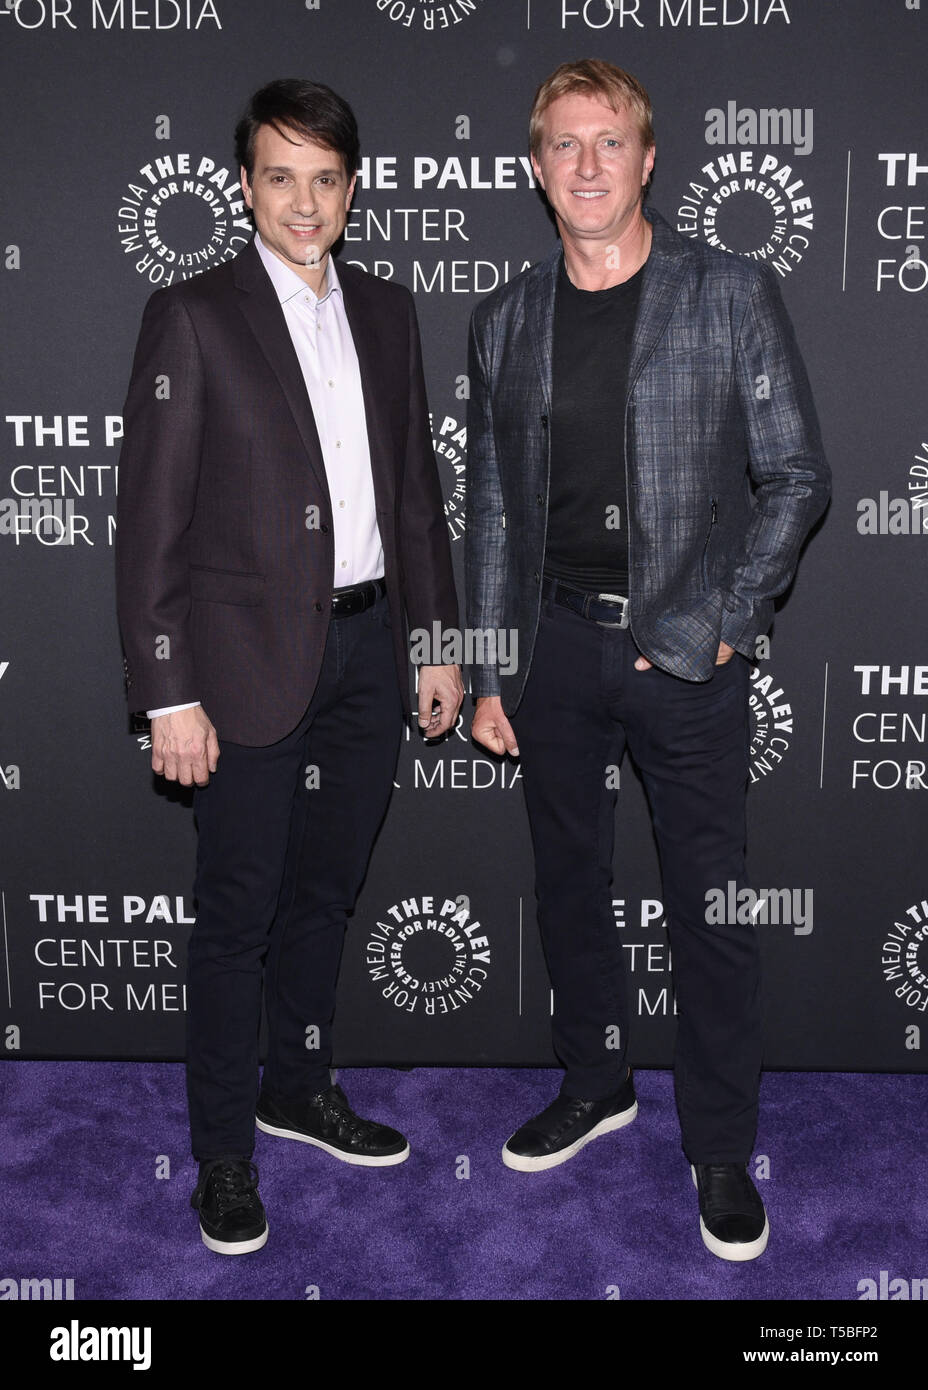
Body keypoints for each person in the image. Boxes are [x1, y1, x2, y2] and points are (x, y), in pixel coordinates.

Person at [465, 59, 829, 1262]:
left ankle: (717, 1144)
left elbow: (796, 474)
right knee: (568, 886)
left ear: (646, 157)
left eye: (606, 142)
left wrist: (726, 617)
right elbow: (495, 515)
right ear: (533, 168)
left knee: (710, 911)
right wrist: (484, 668)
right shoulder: (505, 319)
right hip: (553, 646)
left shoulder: (727, 292)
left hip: (684, 651)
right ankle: (596, 1081)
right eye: (562, 145)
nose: (585, 166)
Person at [116, 78, 463, 1255]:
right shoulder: (194, 315)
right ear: (246, 184)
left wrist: (439, 642)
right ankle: (222, 1153)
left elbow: (418, 495)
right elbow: (149, 522)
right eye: (280, 176)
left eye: (325, 179)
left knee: (327, 894)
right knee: (235, 920)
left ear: (352, 191)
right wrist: (168, 688)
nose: (303, 201)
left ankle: (298, 1087)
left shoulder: (389, 309)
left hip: (370, 650)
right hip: (244, 664)